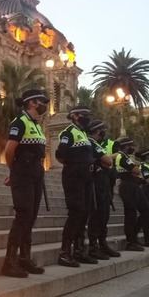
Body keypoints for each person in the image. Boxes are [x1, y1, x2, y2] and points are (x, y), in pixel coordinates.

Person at [1, 89, 49, 278]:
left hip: (36, 173)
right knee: (23, 215)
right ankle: (9, 261)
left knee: (31, 217)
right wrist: (13, 171)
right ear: (31, 103)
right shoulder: (19, 122)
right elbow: (9, 150)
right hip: (23, 172)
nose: (43, 104)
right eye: (40, 101)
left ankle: (24, 258)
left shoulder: (36, 125)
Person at [56, 105, 97, 267]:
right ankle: (65, 252)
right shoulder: (68, 133)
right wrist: (75, 167)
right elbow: (60, 155)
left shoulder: (84, 135)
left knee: (85, 213)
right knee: (76, 212)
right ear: (74, 116)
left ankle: (79, 251)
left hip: (86, 179)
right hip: (74, 178)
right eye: (83, 115)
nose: (87, 118)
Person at [87, 120, 121, 259]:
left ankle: (102, 243)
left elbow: (107, 163)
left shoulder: (96, 144)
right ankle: (94, 247)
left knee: (104, 214)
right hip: (96, 183)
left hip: (104, 182)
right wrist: (107, 160)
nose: (103, 132)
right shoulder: (91, 142)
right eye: (102, 130)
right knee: (97, 215)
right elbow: (107, 161)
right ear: (97, 131)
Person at [115, 137, 149, 250]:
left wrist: (136, 171)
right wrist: (136, 170)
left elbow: (136, 171)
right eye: (131, 145)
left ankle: (134, 237)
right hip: (127, 186)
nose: (133, 147)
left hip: (134, 185)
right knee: (130, 214)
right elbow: (136, 171)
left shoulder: (127, 157)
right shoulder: (122, 156)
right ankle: (131, 242)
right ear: (126, 146)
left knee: (147, 211)